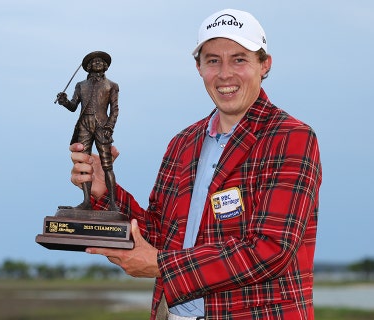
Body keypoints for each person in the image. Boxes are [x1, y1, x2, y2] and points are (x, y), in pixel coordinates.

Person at [69, 8, 322, 320]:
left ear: (264, 64)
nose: (225, 73)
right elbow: (160, 236)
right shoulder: (183, 143)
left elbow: (271, 250)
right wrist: (105, 190)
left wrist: (161, 265)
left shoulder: (291, 137)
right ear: (199, 67)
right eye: (213, 60)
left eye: (239, 59)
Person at [57, 51, 120, 211]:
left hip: (102, 126)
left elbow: (115, 110)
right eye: (94, 61)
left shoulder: (111, 85)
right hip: (84, 124)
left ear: (105, 66)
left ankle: (113, 203)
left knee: (107, 165)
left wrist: (109, 127)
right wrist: (64, 102)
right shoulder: (81, 85)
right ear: (89, 67)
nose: (97, 63)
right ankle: (86, 201)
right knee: (83, 163)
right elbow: (73, 106)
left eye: (100, 61)